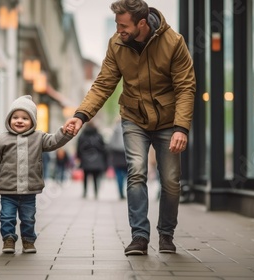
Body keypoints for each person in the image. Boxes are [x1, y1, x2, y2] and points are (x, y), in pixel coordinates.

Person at [64, 0, 195, 256]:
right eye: (116, 24)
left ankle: (166, 234)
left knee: (170, 180)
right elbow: (103, 84)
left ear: (142, 23)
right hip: (133, 117)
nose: (118, 29)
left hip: (168, 121)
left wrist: (181, 127)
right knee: (136, 171)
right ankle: (139, 236)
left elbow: (185, 87)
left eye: (123, 25)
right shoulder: (117, 44)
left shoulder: (173, 43)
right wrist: (81, 115)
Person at [0, 95, 74, 254]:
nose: (19, 121)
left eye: (25, 118)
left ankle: (28, 240)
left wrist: (64, 133)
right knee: (6, 217)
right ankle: (9, 239)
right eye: (15, 117)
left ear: (33, 121)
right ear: (9, 119)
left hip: (29, 190)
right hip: (7, 190)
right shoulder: (2, 139)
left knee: (28, 218)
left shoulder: (38, 137)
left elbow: (54, 141)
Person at [76, 122, 108, 199]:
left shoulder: (82, 135)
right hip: (97, 158)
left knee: (85, 176)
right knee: (95, 177)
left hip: (85, 158)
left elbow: (79, 147)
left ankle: (85, 192)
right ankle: (96, 192)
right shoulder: (98, 135)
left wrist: (79, 157)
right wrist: (104, 159)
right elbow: (103, 148)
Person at [107, 120, 127, 200]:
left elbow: (111, 143)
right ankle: (130, 191)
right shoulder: (130, 127)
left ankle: (121, 193)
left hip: (117, 155)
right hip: (128, 153)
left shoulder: (116, 128)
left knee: (119, 175)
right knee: (130, 175)